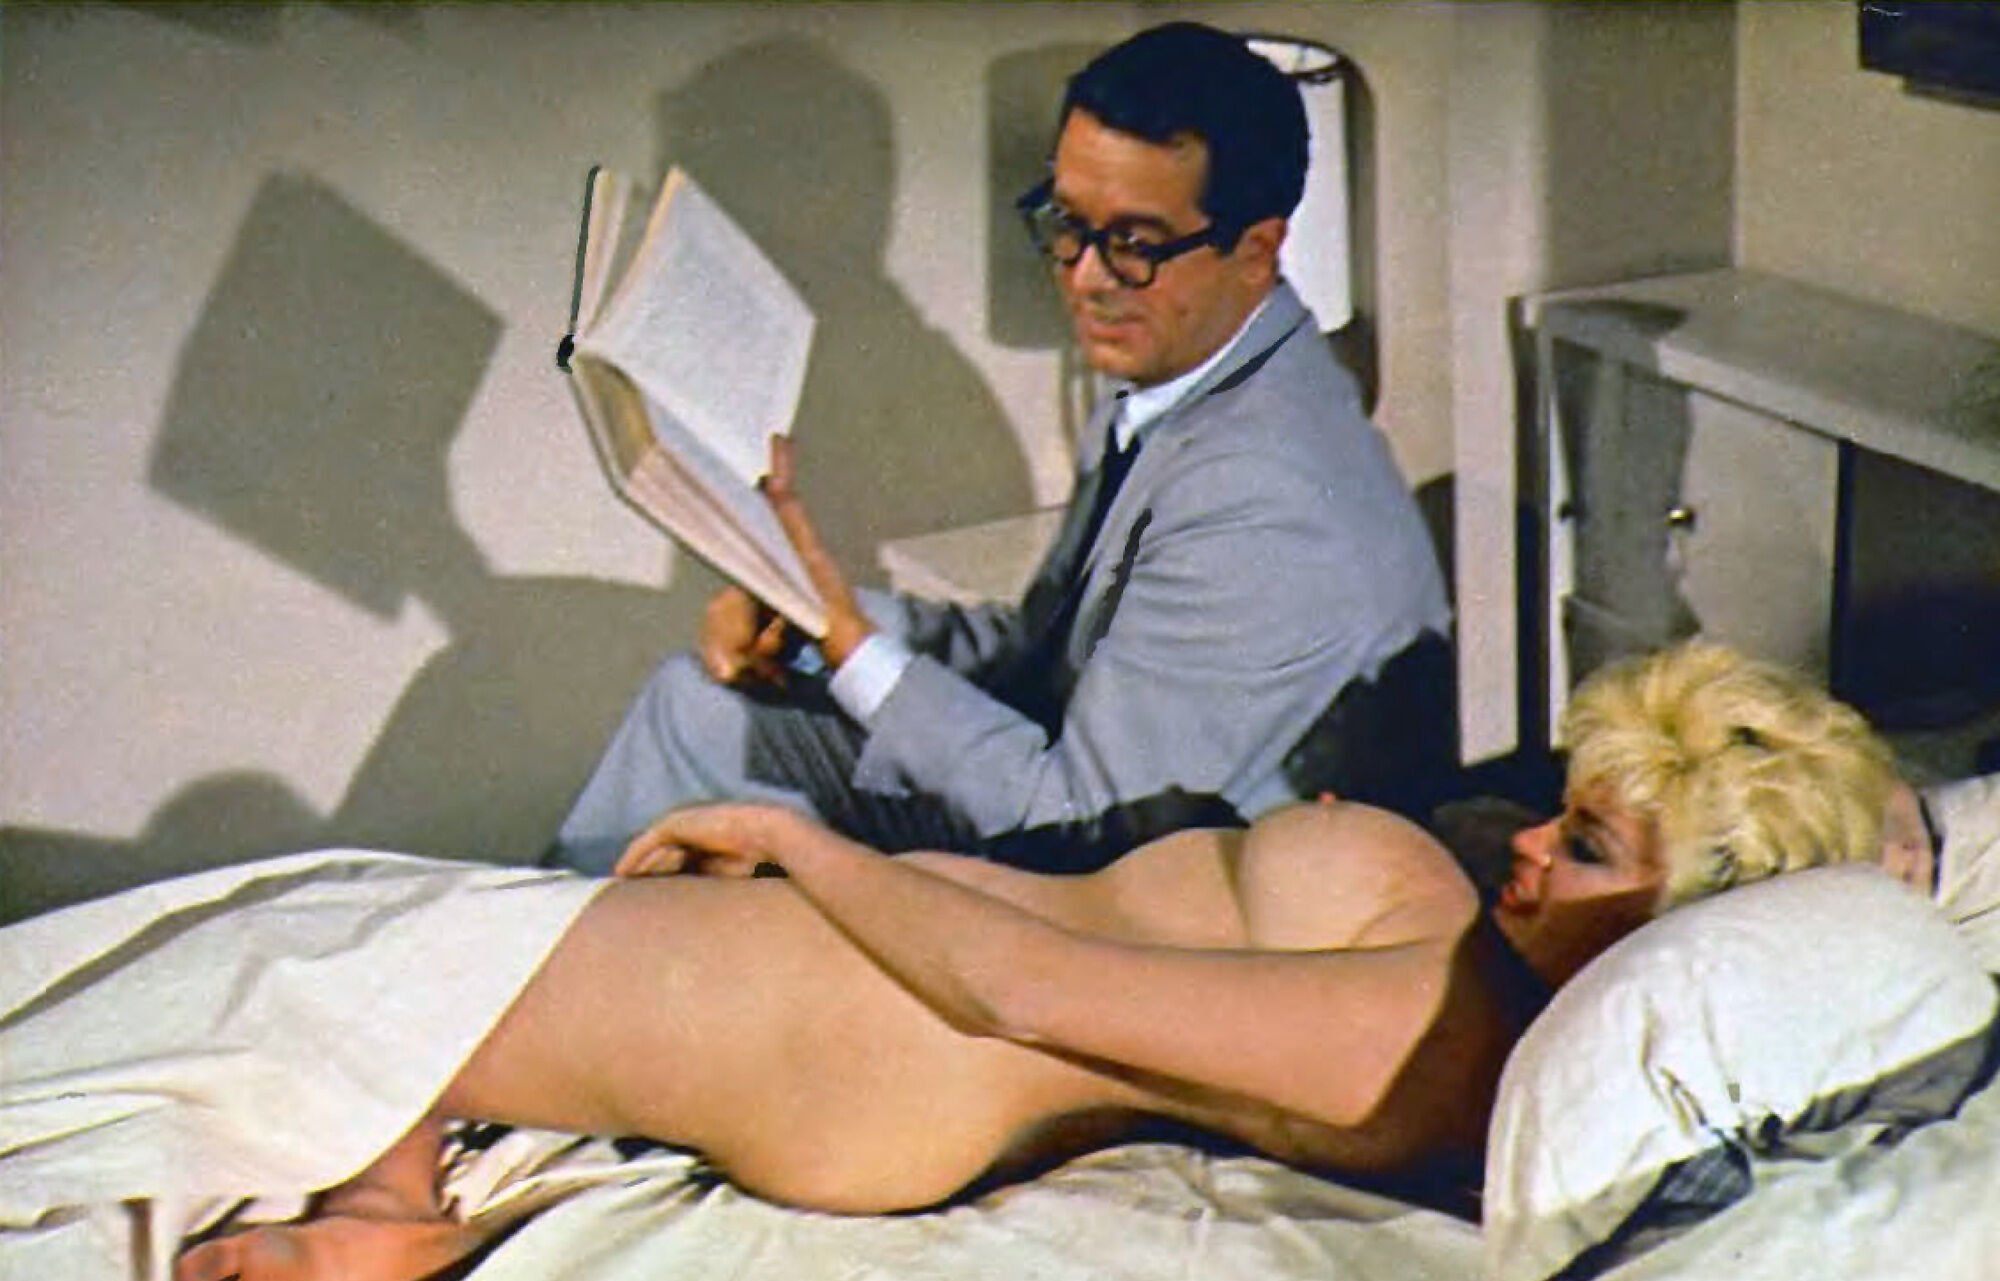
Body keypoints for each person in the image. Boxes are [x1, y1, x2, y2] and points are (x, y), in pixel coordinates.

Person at [152, 640, 1927, 1281]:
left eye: (1587, 849)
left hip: (884, 1026)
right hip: (876, 1016)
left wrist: (800, 843)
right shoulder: (1495, 987)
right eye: (1562, 810)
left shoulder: (1441, 1032)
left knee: (314, 965)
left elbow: (1026, 993)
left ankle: (383, 1214)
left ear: (1694, 922)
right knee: (382, 962)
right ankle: (388, 1194)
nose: (1532, 845)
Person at [547, 22, 1453, 876]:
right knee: (694, 707)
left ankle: (543, 966)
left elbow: (1072, 825)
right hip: (1076, 800)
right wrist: (816, 616)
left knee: (709, 751)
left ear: (1256, 251)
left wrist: (854, 651)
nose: (1086, 279)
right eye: (1069, 225)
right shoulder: (1177, 384)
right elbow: (1036, 650)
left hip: (1141, 876)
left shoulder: (1268, 493)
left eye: (1134, 244)